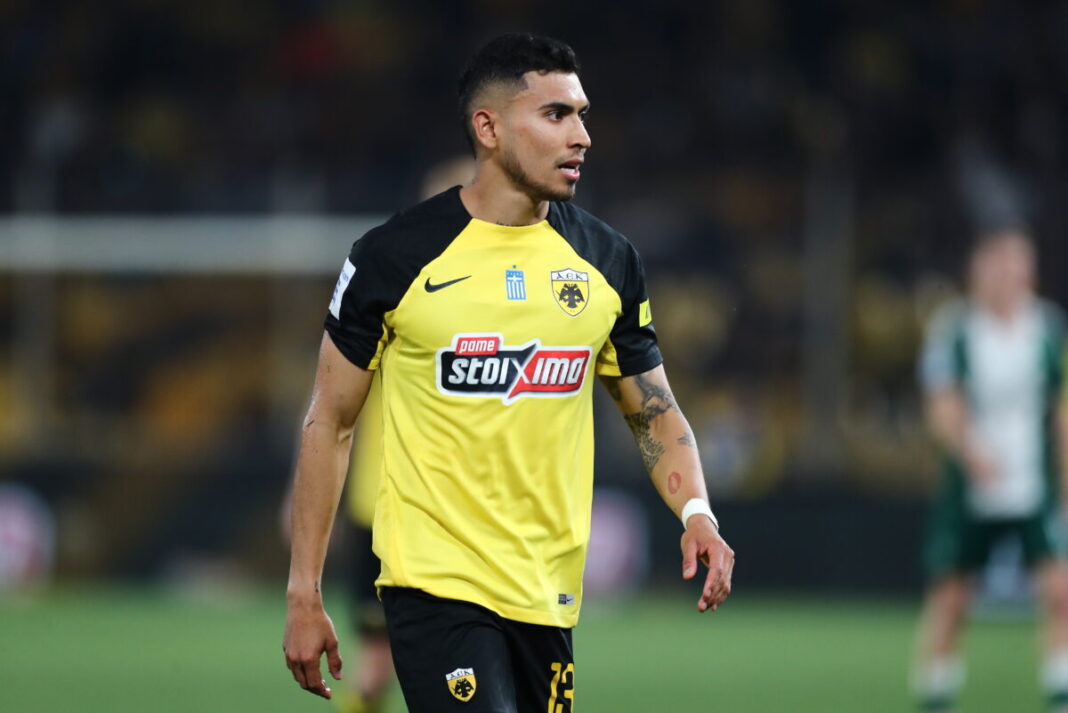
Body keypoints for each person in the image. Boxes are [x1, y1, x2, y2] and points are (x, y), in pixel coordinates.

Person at [283, 33, 734, 712]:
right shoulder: (393, 258)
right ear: (488, 128)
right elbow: (330, 420)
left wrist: (697, 511)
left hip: (547, 592)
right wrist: (304, 592)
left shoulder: (608, 262)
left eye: (582, 115)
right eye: (555, 114)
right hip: (434, 584)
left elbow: (654, 410)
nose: (581, 135)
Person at [913, 228, 1068, 713]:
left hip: (1033, 483)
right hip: (971, 484)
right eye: (997, 264)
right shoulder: (953, 329)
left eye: (1016, 264)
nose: (1007, 275)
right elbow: (941, 405)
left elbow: (1060, 409)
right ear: (977, 270)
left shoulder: (1049, 328)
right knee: (953, 596)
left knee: (1059, 589)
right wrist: (970, 450)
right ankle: (935, 691)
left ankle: (1060, 690)